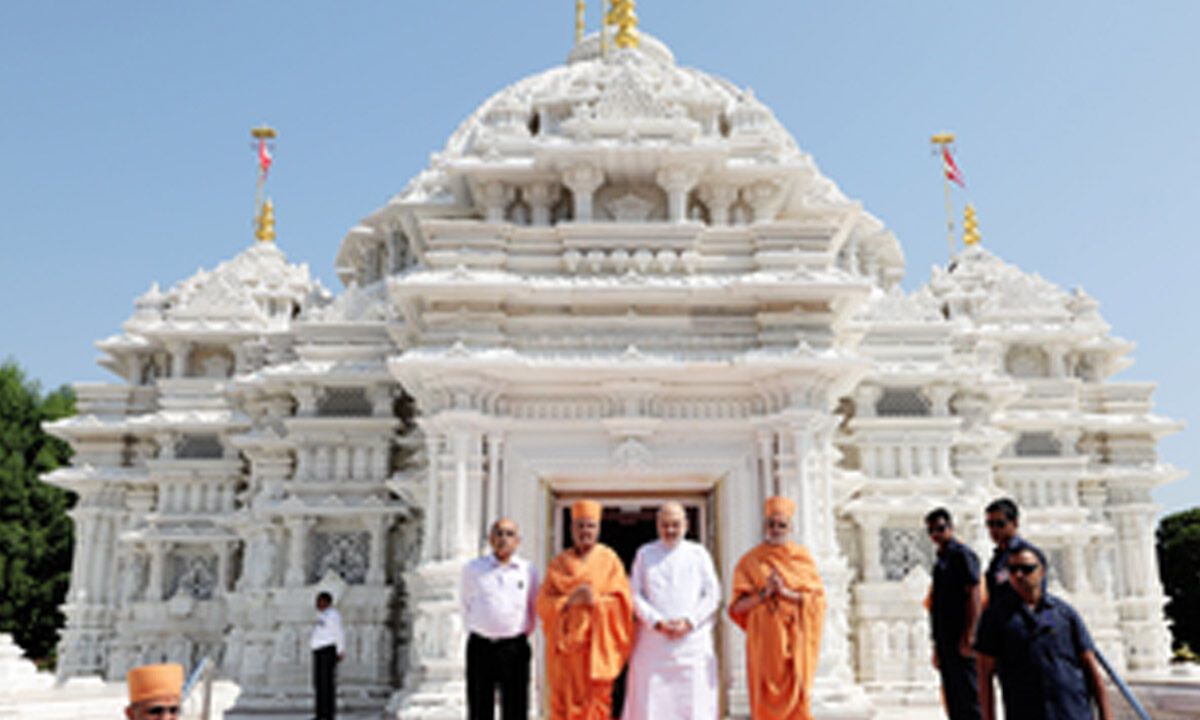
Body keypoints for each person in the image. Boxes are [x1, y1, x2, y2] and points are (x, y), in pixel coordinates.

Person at [974, 545, 1112, 720]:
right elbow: (984, 674)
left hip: (1073, 712)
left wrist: (1106, 716)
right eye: (1012, 569)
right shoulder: (996, 619)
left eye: (1026, 569)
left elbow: (1091, 668)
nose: (1019, 575)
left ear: (1042, 572)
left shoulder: (1065, 614)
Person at [729, 496, 826, 720]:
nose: (775, 529)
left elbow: (817, 601)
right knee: (763, 699)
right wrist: (764, 595)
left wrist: (785, 593)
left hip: (796, 642)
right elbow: (737, 608)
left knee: (799, 695)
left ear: (790, 528)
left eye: (781, 525)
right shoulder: (750, 561)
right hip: (764, 644)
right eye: (771, 524)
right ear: (765, 526)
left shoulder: (801, 559)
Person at [621, 502, 720, 720]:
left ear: (685, 525)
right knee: (650, 705)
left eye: (675, 524)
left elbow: (713, 594)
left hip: (692, 646)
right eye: (665, 525)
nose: (670, 530)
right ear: (658, 525)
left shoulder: (698, 553)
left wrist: (690, 621)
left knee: (693, 705)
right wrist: (657, 622)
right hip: (653, 646)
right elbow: (634, 593)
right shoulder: (645, 553)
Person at [537, 499, 634, 720]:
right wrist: (570, 600)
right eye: (580, 525)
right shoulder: (559, 564)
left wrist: (596, 602)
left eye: (590, 526)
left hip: (598, 649)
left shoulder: (609, 561)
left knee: (597, 705)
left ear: (598, 529)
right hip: (567, 652)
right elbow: (543, 604)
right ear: (572, 529)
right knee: (564, 703)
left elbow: (623, 602)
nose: (585, 531)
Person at [461, 517, 539, 720]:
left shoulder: (528, 570)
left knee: (516, 707)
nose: (504, 538)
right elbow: (466, 604)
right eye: (499, 533)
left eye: (509, 534)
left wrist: (514, 634)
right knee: (479, 707)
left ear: (518, 541)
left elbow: (533, 607)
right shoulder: (474, 569)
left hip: (514, 647)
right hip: (481, 646)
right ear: (490, 538)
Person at [925, 508, 982, 720]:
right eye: (931, 531)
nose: (936, 535)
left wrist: (971, 633)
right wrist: (936, 645)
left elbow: (974, 592)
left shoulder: (962, 555)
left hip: (961, 635)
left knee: (969, 693)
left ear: (950, 528)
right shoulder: (941, 559)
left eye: (940, 529)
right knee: (952, 693)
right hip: (945, 638)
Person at [982, 498, 1030, 606]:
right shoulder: (998, 556)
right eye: (990, 524)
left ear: (1014, 523)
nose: (994, 529)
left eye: (1000, 524)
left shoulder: (1025, 554)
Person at [310, 590, 345, 720]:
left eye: (320, 600)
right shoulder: (323, 616)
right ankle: (320, 713)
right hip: (319, 652)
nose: (318, 603)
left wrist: (340, 651)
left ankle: (328, 714)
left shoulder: (333, 615)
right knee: (319, 683)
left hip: (327, 651)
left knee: (327, 684)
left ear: (327, 602)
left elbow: (339, 633)